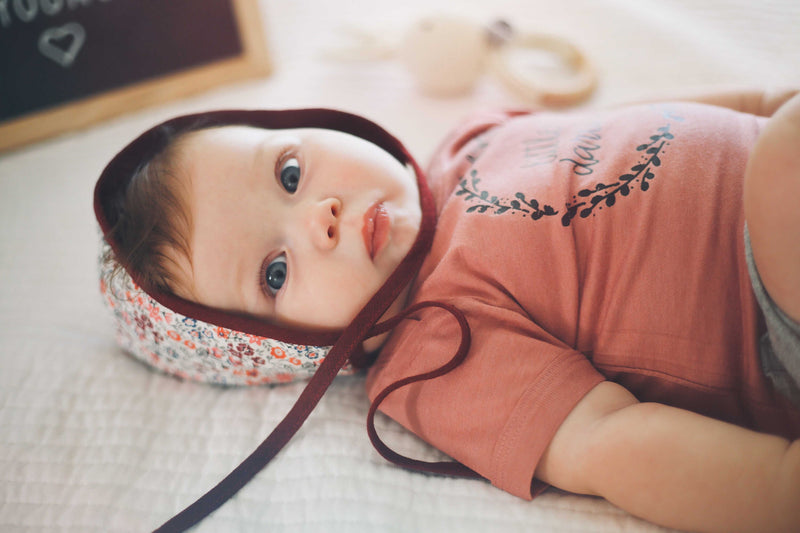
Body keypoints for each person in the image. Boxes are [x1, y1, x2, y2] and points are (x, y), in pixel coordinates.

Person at [94, 90, 800, 533]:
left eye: (289, 174)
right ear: (289, 350)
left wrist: (765, 99)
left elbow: (651, 116)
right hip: (772, 316)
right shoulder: (431, 356)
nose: (322, 218)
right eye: (276, 273)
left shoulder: (472, 142)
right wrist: (778, 489)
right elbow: (611, 441)